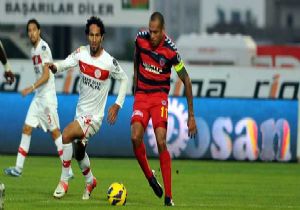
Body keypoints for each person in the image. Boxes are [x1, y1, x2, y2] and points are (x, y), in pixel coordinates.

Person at [49, 16, 128, 200]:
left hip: (94, 118)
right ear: (87, 36)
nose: (94, 39)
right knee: (78, 152)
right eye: (91, 35)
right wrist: (55, 67)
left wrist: (117, 104)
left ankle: (64, 181)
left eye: (97, 35)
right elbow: (66, 63)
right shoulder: (81, 53)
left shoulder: (109, 62)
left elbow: (124, 79)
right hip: (81, 113)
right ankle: (90, 181)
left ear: (102, 38)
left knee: (66, 134)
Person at [131, 12, 197, 206]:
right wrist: (136, 82)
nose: (151, 36)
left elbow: (186, 79)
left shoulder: (171, 52)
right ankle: (151, 178)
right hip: (142, 96)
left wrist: (191, 115)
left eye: (156, 32)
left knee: (161, 141)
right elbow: (137, 57)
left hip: (159, 97)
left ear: (163, 31)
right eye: (150, 31)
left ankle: (168, 197)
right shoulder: (140, 40)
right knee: (135, 137)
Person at [4, 19, 73, 178]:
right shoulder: (33, 50)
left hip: (47, 97)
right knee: (27, 128)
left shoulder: (42, 48)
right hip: (38, 98)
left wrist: (31, 87)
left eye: (34, 29)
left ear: (39, 31)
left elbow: (47, 76)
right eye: (29, 30)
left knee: (55, 132)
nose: (31, 33)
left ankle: (68, 170)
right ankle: (18, 168)